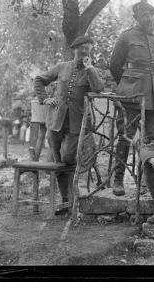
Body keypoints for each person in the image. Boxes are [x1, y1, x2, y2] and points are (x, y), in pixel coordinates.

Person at [34, 35, 105, 214]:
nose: (85, 52)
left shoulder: (91, 71)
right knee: (57, 160)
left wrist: (90, 69)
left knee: (68, 157)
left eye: (88, 49)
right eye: (82, 49)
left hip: (77, 122)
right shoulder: (62, 67)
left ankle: (72, 199)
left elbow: (99, 89)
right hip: (56, 120)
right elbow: (39, 80)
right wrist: (44, 99)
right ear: (75, 50)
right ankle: (66, 201)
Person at [109, 1, 154, 196]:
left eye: (151, 15)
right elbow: (115, 65)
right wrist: (126, 85)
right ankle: (117, 180)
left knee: (152, 140)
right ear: (136, 17)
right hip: (132, 96)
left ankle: (147, 182)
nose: (148, 19)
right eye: (144, 16)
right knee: (125, 136)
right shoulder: (126, 36)